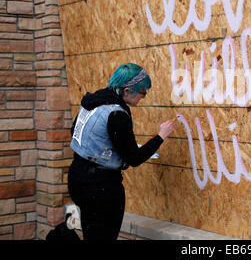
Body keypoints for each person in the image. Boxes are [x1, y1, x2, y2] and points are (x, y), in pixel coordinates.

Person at [67, 63, 174, 240]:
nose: (143, 97)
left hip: (78, 177)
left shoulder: (93, 102)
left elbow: (75, 132)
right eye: (143, 92)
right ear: (126, 91)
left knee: (92, 235)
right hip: (100, 187)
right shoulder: (116, 114)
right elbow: (134, 158)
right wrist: (160, 136)